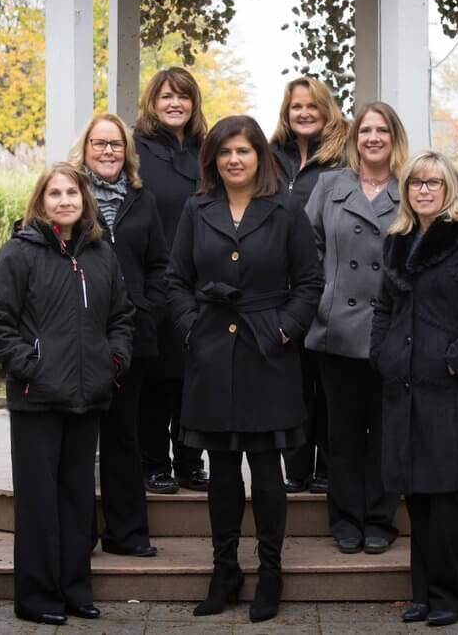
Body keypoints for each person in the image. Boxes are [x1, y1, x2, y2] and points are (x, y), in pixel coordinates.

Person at [166, 115, 323, 623]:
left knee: (267, 469)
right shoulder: (197, 208)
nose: (234, 159)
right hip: (212, 350)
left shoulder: (285, 210)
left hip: (268, 351)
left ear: (261, 157)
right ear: (212, 158)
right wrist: (191, 328)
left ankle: (271, 572)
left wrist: (284, 329)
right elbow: (175, 279)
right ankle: (224, 570)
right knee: (222, 470)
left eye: (244, 151)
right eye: (225, 151)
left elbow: (310, 282)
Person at [0, 162, 134, 625]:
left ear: (84, 201)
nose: (64, 200)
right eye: (55, 193)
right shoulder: (18, 254)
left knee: (76, 499)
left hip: (87, 399)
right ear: (40, 202)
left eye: (72, 193)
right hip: (37, 399)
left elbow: (122, 318)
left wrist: (113, 362)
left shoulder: (102, 255)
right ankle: (37, 598)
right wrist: (32, 367)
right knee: (39, 502)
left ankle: (74, 591)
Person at [370, 151, 458, 627]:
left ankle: (451, 595)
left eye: (433, 182)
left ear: (451, 187)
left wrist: (457, 356)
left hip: (453, 388)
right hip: (406, 386)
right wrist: (383, 354)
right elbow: (384, 310)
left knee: (449, 497)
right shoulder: (398, 242)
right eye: (415, 184)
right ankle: (423, 594)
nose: (424, 190)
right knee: (419, 496)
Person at [304, 101, 407, 555]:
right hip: (336, 328)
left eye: (382, 130)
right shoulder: (329, 185)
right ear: (354, 138)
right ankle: (345, 518)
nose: (373, 138)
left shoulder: (412, 186)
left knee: (386, 431)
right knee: (342, 432)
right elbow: (307, 248)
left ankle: (380, 518)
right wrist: (322, 295)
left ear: (393, 137)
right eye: (365, 130)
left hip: (391, 328)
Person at [68, 113, 166, 558]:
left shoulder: (142, 200)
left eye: (116, 144)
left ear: (127, 152)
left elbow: (160, 263)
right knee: (79, 438)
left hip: (132, 334)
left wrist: (148, 305)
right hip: (78, 336)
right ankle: (77, 534)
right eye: (99, 143)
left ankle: (127, 535)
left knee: (124, 438)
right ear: (85, 148)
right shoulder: (69, 194)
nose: (108, 151)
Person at [269, 76, 349, 495]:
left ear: (326, 109)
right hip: (282, 290)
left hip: (333, 284)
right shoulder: (271, 156)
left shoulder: (344, 158)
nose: (303, 113)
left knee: (329, 383)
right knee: (294, 383)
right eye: (296, 106)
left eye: (311, 106)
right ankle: (296, 468)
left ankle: (327, 469)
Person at [134, 68, 210, 495]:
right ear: (153, 102)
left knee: (192, 378)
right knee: (156, 380)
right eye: (166, 96)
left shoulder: (207, 150)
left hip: (202, 282)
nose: (174, 104)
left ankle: (189, 461)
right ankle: (154, 463)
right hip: (154, 277)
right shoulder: (136, 148)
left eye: (183, 96)